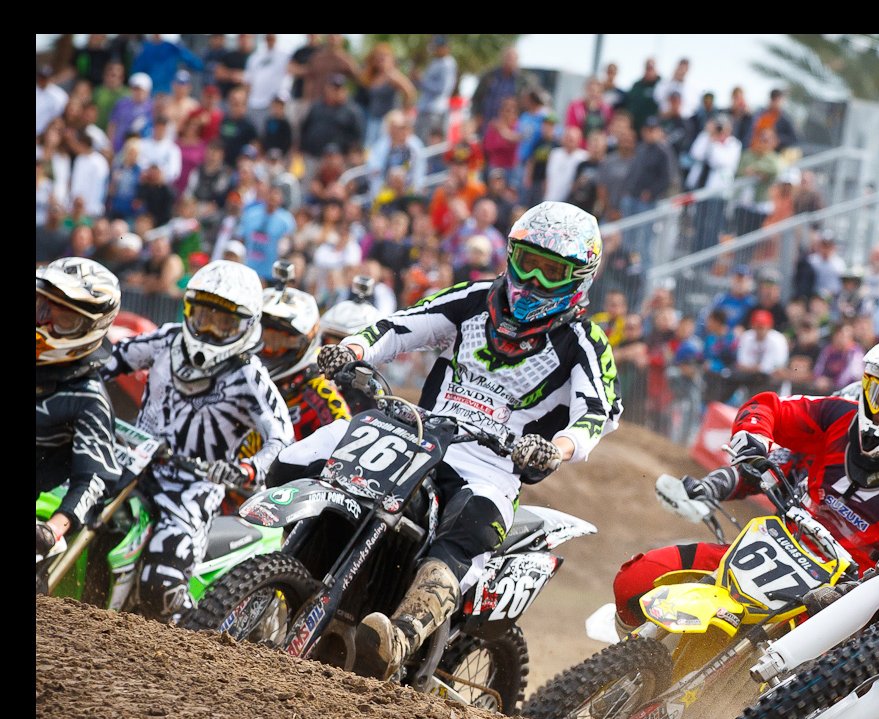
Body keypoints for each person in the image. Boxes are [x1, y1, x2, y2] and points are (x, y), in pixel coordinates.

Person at [302, 202, 621, 677]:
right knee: (313, 456)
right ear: (511, 255)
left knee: (467, 530)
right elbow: (403, 326)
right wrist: (353, 348)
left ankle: (398, 638)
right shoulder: (475, 298)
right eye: (528, 262)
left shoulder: (584, 341)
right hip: (419, 434)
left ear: (578, 279)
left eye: (551, 271)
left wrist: (557, 449)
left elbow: (596, 413)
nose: (534, 280)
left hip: (492, 466)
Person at [619, 331, 879, 633]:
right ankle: (634, 666)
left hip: (831, 602)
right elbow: (769, 409)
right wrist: (751, 440)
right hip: (767, 553)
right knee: (635, 579)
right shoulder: (839, 414)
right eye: (878, 396)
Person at [102, 260, 294, 619]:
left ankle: (189, 636)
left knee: (161, 583)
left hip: (191, 489)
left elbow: (281, 437)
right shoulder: (168, 339)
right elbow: (110, 360)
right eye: (203, 316)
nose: (208, 330)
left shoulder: (249, 375)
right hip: (130, 463)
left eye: (223, 323)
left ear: (247, 325)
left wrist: (247, 469)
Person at [36, 258, 125, 560]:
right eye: (40, 307)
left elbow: (93, 480)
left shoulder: (89, 398)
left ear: (89, 328)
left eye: (63, 320)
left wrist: (52, 530)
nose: (42, 323)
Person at [253, 268, 350, 443]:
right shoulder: (237, 371)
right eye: (263, 336)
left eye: (281, 340)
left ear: (305, 342)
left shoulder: (320, 395)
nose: (269, 347)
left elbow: (346, 444)